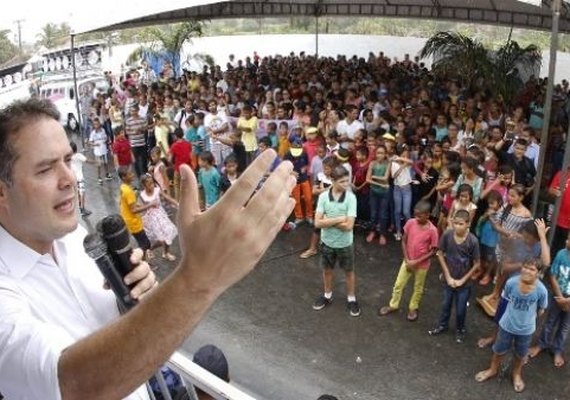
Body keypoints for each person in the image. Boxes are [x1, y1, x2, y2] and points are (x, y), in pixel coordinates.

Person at [0, 98, 296, 399]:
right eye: (45, 170)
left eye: (67, 160)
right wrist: (199, 277)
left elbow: (106, 326)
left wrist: (131, 297)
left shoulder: (72, 236)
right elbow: (72, 385)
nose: (69, 179)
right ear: (2, 191)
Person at [475, 258, 548, 393]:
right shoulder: (511, 283)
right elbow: (505, 299)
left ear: (538, 273)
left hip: (526, 330)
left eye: (532, 269)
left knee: (520, 355)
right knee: (498, 350)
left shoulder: (542, 291)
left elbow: (541, 310)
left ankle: (516, 374)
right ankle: (492, 369)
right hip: (506, 325)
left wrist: (527, 319)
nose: (527, 270)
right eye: (525, 267)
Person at [312, 165, 360, 317]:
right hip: (327, 242)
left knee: (349, 272)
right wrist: (340, 218)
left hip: (345, 244)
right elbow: (317, 223)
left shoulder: (351, 198)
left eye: (347, 181)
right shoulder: (323, 197)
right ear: (332, 180)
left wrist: (328, 220)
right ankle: (327, 295)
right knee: (327, 270)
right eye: (342, 181)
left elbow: (349, 226)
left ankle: (351, 298)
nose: (346, 184)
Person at [379, 201, 438, 321]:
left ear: (428, 215)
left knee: (418, 287)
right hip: (407, 261)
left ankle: (413, 307)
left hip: (422, 265)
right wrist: (407, 259)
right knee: (398, 284)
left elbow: (433, 251)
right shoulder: (411, 223)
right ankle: (393, 305)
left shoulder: (433, 230)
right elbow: (404, 241)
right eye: (415, 215)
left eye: (419, 216)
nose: (416, 218)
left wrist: (415, 262)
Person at [428, 209, 480, 343]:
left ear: (468, 224)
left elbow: (477, 263)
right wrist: (447, 275)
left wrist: (463, 280)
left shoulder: (473, 241)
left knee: (461, 309)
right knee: (445, 305)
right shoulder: (447, 235)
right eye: (455, 223)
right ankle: (442, 325)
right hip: (448, 280)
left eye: (461, 224)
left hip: (464, 284)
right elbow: (439, 253)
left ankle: (460, 329)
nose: (457, 226)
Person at [528, 232, 570, 368]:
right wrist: (560, 298)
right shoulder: (561, 254)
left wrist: (567, 301)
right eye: (568, 238)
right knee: (550, 321)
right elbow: (552, 275)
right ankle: (542, 344)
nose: (567, 242)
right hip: (558, 296)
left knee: (565, 327)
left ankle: (558, 349)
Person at [139, 174, 179, 261]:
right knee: (161, 240)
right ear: (144, 185)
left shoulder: (157, 190)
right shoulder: (142, 195)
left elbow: (167, 197)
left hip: (161, 216)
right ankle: (150, 249)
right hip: (152, 219)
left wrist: (176, 203)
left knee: (168, 234)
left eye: (152, 183)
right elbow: (145, 208)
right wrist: (144, 218)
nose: (152, 185)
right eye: (149, 184)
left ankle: (166, 252)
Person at [118, 167, 155, 260]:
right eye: (130, 174)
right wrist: (149, 205)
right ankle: (142, 261)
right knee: (146, 244)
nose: (133, 175)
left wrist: (139, 206)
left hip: (129, 220)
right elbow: (133, 210)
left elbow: (125, 203)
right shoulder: (128, 191)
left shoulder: (123, 187)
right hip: (133, 222)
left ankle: (145, 261)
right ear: (123, 177)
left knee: (142, 243)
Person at [366, 145, 390, 245]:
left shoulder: (388, 164)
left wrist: (374, 177)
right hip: (374, 191)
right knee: (373, 214)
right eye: (378, 153)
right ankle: (372, 231)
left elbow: (385, 178)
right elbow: (367, 179)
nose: (379, 155)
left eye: (382, 153)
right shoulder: (372, 163)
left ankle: (382, 234)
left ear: (385, 154)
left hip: (384, 193)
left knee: (383, 215)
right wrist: (380, 183)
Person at [69, 141, 92, 217]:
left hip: (73, 178)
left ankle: (80, 206)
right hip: (79, 177)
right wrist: (96, 162)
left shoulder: (68, 158)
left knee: (78, 192)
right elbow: (87, 160)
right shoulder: (78, 156)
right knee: (82, 192)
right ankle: (82, 208)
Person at [169, 127, 192, 201]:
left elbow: (169, 159)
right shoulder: (188, 144)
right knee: (188, 185)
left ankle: (178, 202)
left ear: (175, 136)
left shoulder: (174, 146)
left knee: (177, 186)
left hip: (178, 169)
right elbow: (191, 156)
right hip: (188, 168)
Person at [89, 117, 112, 184]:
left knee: (105, 163)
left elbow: (106, 138)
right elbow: (90, 142)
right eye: (95, 124)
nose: (96, 125)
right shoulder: (93, 133)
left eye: (97, 124)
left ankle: (107, 174)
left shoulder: (103, 130)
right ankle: (99, 177)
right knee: (98, 164)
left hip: (103, 149)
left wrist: (106, 140)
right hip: (97, 151)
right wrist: (95, 144)